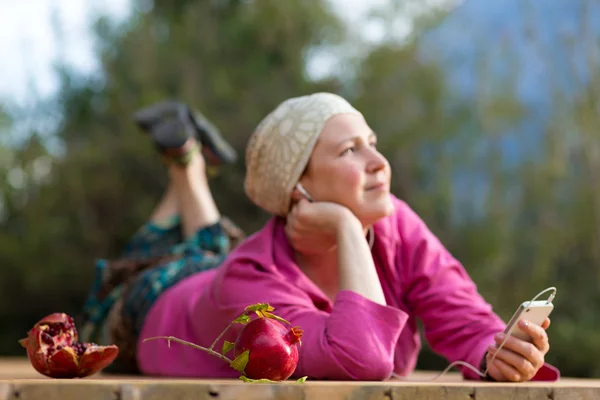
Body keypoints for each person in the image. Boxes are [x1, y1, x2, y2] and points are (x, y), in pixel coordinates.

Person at [81, 93, 559, 382]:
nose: (378, 162)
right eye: (351, 151)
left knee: (209, 247)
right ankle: (187, 167)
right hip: (156, 304)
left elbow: (467, 320)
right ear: (299, 190)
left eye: (372, 142)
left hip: (216, 271)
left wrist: (497, 353)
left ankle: (186, 163)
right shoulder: (249, 284)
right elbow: (364, 359)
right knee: (164, 259)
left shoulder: (396, 226)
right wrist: (347, 230)